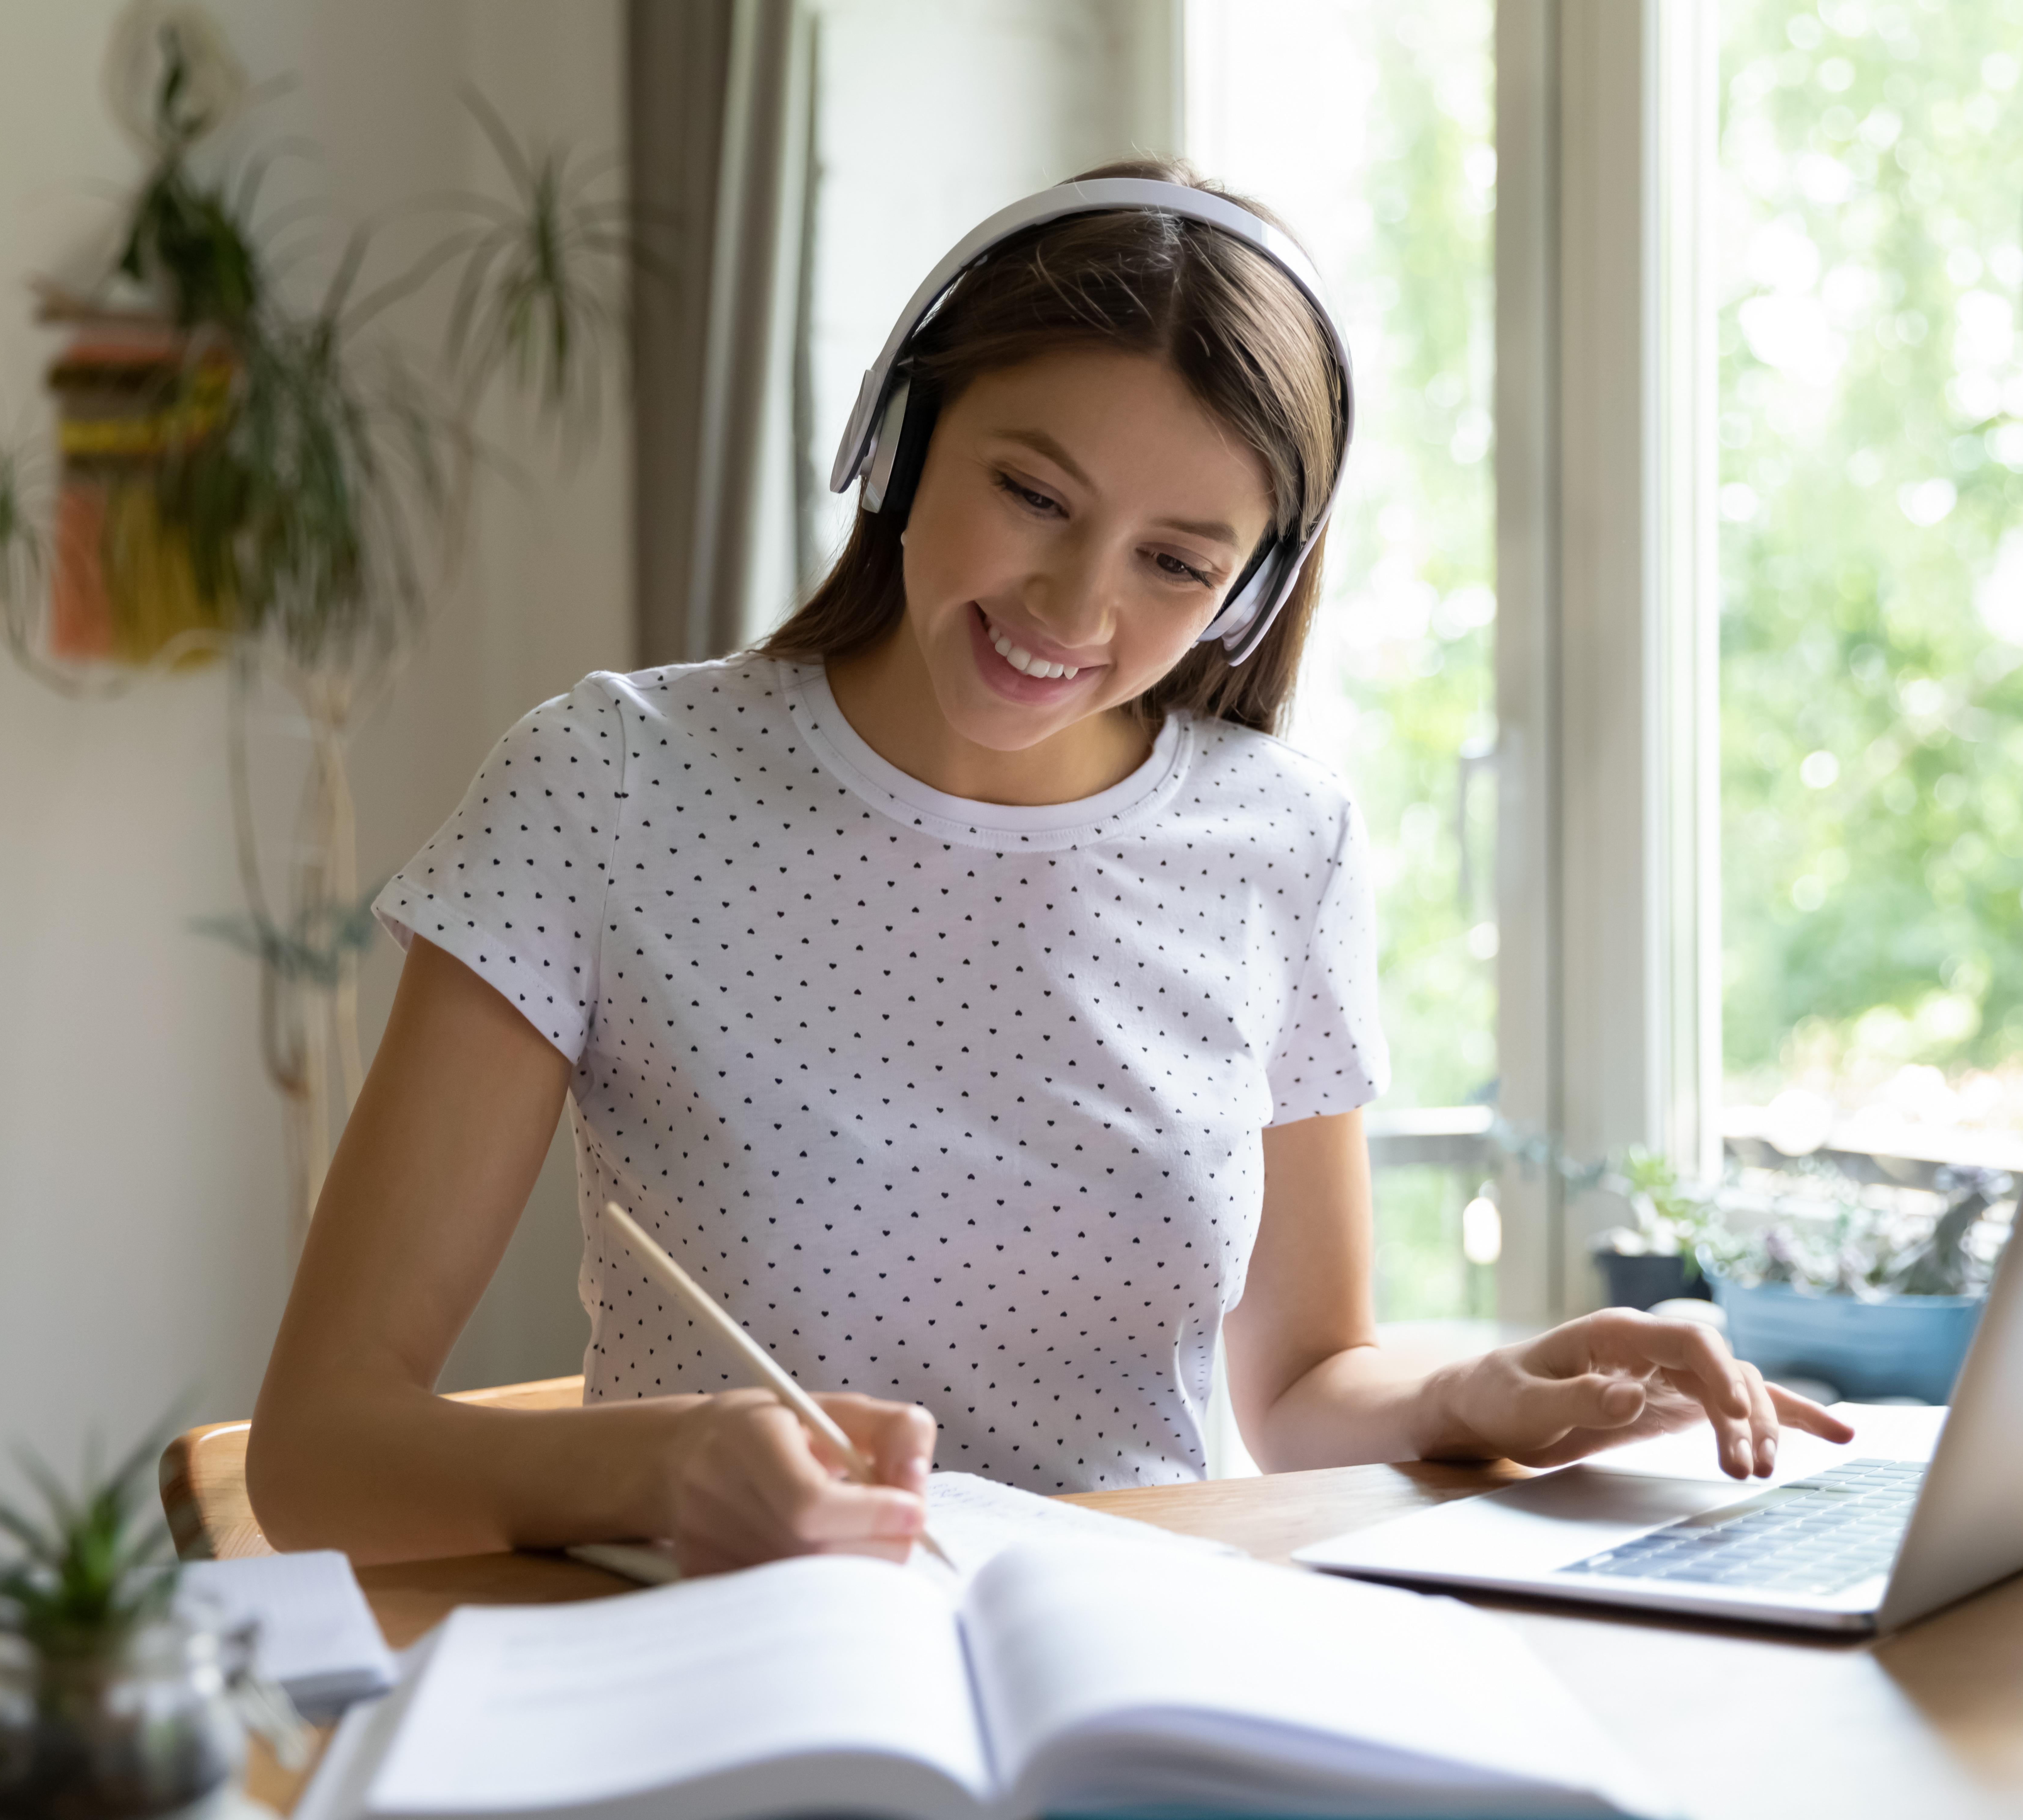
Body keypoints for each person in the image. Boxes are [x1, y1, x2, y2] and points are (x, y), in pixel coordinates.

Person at [247, 160, 1853, 1574]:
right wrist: (660, 1470)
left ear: (1245, 594)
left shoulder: (1279, 843)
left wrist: (1472, 1395)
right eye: (1031, 494)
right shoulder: (604, 784)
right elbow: (322, 1455)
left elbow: (1297, 1394)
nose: (1074, 613)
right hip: (735, 1681)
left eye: (1173, 563)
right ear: (899, 436)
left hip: (1134, 1677)